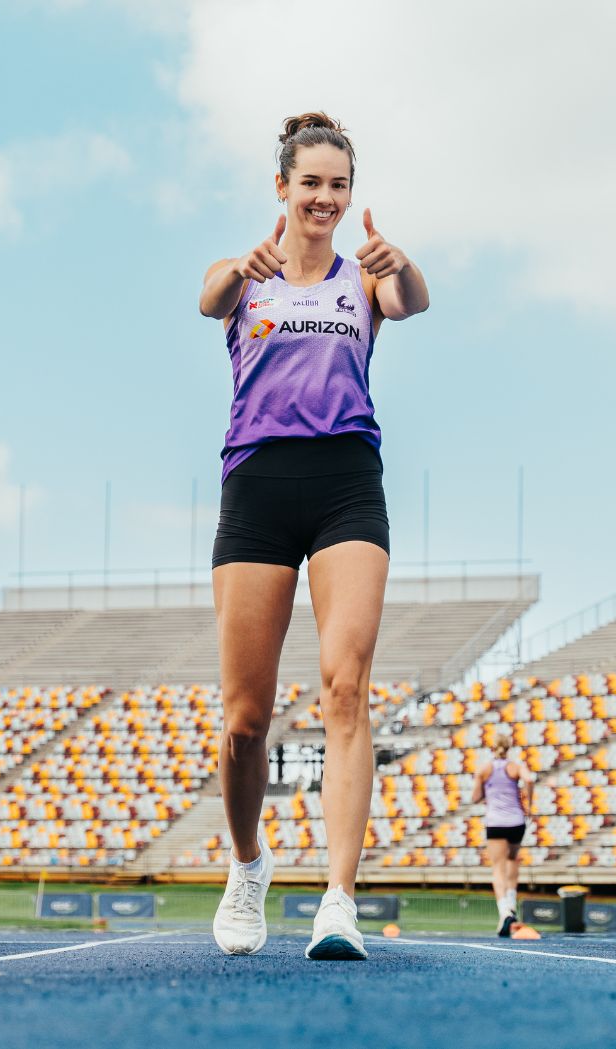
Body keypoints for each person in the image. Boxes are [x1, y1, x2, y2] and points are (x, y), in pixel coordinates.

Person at [199, 111, 429, 961]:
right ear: (282, 188)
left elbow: (411, 302)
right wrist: (240, 268)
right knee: (244, 722)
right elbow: (209, 299)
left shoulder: (364, 280)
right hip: (256, 488)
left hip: (345, 487)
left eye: (339, 185)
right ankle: (248, 864)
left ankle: (338, 898)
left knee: (345, 688)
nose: (325, 197)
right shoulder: (243, 278)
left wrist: (398, 262)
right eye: (311, 183)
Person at [469, 736, 533, 936]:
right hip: (516, 821)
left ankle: (504, 912)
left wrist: (488, 791)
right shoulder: (515, 767)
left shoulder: (484, 769)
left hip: (496, 822)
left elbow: (475, 797)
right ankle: (512, 905)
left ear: (492, 748)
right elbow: (530, 779)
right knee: (512, 860)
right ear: (509, 748)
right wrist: (529, 802)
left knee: (498, 867)